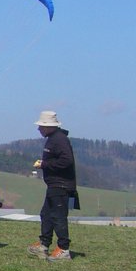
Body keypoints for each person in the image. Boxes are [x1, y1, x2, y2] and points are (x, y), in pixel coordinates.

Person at [28, 111, 78, 261]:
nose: (39, 129)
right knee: (46, 214)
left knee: (58, 216)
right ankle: (44, 244)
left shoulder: (60, 140)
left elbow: (67, 161)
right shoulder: (53, 139)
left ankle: (63, 249)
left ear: (49, 126)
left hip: (61, 185)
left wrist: (45, 164)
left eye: (41, 126)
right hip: (54, 184)